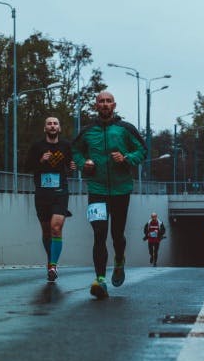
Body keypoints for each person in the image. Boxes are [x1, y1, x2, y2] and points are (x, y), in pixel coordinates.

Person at [72, 91, 147, 299]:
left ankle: (120, 259)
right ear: (96, 106)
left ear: (114, 105)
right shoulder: (87, 131)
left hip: (121, 190)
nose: (104, 104)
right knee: (99, 234)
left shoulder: (125, 129)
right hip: (96, 190)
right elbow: (75, 151)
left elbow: (142, 150)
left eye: (108, 101)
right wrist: (83, 164)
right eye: (101, 102)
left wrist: (126, 158)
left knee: (117, 234)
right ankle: (100, 280)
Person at [25, 116, 76, 282]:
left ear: (59, 128)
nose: (53, 126)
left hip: (60, 191)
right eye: (49, 123)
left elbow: (70, 166)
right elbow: (26, 167)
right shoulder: (37, 146)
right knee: (46, 231)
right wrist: (41, 160)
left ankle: (53, 265)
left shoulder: (66, 146)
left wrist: (73, 167)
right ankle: (50, 262)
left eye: (55, 123)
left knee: (56, 228)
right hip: (42, 193)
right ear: (45, 128)